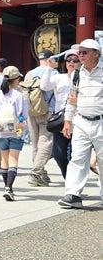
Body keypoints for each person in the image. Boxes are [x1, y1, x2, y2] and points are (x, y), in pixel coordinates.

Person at [58, 39, 103, 208]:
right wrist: (67, 121)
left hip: (101, 121)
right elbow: (71, 100)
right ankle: (73, 194)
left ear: (96, 53)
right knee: (77, 158)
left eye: (85, 52)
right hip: (81, 121)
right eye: (80, 53)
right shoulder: (77, 74)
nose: (80, 56)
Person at [40, 49, 81, 178]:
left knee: (74, 154)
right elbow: (44, 86)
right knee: (58, 154)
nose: (71, 62)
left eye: (75, 60)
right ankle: (68, 177)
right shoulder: (59, 78)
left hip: (78, 119)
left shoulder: (84, 79)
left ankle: (74, 181)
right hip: (61, 119)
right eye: (68, 60)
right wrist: (49, 68)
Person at [0, 65, 28, 201]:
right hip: (16, 129)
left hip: (1, 130)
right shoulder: (20, 96)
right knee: (13, 159)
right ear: (16, 79)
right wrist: (20, 128)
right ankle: (8, 187)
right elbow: (24, 115)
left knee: (4, 159)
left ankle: (7, 187)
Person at [24, 49, 56, 186]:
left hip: (31, 111)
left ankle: (41, 173)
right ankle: (36, 172)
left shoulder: (29, 73)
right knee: (45, 142)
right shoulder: (53, 73)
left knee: (35, 144)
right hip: (47, 110)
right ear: (51, 59)